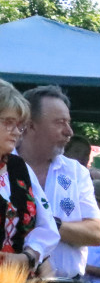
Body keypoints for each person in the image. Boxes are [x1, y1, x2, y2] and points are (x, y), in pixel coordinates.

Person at [18, 85, 100, 279]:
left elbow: (96, 233)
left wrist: (49, 224)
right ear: (30, 125)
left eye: (68, 122)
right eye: (60, 122)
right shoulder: (4, 168)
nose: (69, 131)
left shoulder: (76, 172)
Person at [0, 79, 59, 271]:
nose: (17, 132)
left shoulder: (18, 168)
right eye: (9, 123)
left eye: (20, 125)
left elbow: (48, 226)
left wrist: (29, 256)